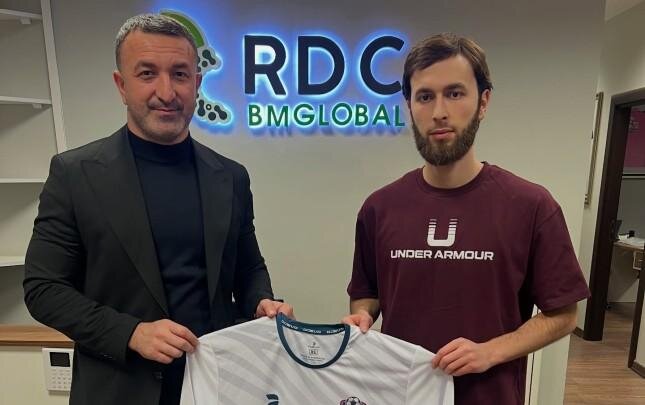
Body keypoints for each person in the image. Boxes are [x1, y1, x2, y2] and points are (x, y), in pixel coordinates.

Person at [23, 13, 292, 405]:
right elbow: (44, 289)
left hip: (216, 386)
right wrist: (131, 333)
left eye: (180, 74)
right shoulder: (74, 174)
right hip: (118, 389)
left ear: (196, 84)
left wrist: (260, 302)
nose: (167, 92)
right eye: (147, 73)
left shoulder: (231, 176)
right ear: (122, 85)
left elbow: (248, 268)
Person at [342, 33, 590, 405]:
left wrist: (490, 351)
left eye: (455, 93)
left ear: (483, 102)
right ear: (409, 106)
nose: (439, 111)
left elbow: (564, 314)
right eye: (425, 96)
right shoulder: (379, 208)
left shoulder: (531, 206)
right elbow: (367, 294)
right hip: (399, 396)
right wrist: (362, 317)